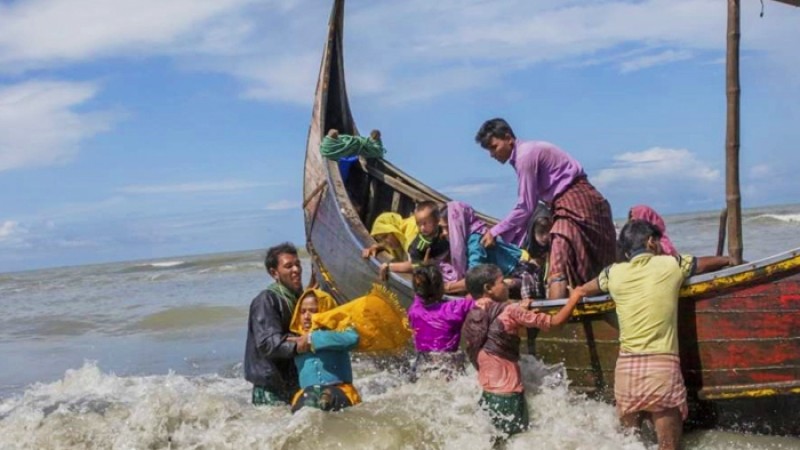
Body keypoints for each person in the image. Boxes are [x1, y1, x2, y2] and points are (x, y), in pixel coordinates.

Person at [567, 220, 733, 450]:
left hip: (626, 374)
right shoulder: (671, 264)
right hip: (661, 371)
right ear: (651, 242)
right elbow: (702, 265)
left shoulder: (613, 273)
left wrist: (576, 293)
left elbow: (585, 289)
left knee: (629, 444)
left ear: (626, 251)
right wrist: (728, 260)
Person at [474, 118, 616, 299]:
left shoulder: (525, 156)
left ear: (508, 138)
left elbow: (526, 205)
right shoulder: (526, 153)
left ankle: (554, 319)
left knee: (560, 261)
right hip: (570, 205)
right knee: (572, 261)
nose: (491, 154)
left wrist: (494, 231)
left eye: (493, 147)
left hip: (577, 203)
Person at [461, 264, 582, 437]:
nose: (507, 285)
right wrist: (574, 298)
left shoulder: (472, 313)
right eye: (502, 282)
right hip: (510, 398)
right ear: (488, 288)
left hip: (487, 396)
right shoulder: (511, 310)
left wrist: (521, 310)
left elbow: (496, 327)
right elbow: (555, 323)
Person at [244, 242, 309, 405]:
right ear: (274, 273)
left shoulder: (298, 299)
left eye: (298, 264)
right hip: (271, 387)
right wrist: (298, 345)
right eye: (288, 266)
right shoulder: (266, 300)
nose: (296, 270)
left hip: (292, 382)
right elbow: (267, 343)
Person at [289, 289, 361, 413]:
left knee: (326, 399)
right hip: (307, 395)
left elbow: (353, 339)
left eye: (313, 311)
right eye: (302, 311)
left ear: (326, 312)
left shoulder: (339, 331)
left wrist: (312, 338)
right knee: (307, 401)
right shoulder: (293, 339)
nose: (306, 316)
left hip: (341, 390)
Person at [438, 201, 530, 294]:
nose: (444, 233)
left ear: (458, 224)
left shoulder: (476, 240)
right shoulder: (464, 238)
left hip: (522, 276)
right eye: (442, 228)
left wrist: (446, 288)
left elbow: (473, 280)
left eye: (448, 227)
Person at [407, 264, 474, 380]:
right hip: (447, 368)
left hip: (421, 364)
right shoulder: (453, 309)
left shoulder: (414, 309)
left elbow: (421, 288)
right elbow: (482, 301)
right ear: (440, 288)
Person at [365, 201, 449, 279]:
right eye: (381, 239)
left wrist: (389, 266)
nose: (385, 241)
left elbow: (415, 264)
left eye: (385, 236)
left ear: (394, 229)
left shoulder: (413, 232)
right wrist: (376, 246)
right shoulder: (398, 236)